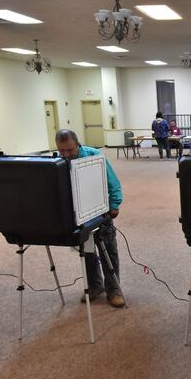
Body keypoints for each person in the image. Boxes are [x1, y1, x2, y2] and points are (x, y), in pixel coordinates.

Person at [55, 129, 125, 308]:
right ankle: (95, 286)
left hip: (99, 210)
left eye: (70, 150)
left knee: (108, 249)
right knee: (86, 251)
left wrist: (115, 204)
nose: (66, 155)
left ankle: (114, 289)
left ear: (78, 144)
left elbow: (113, 182)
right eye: (61, 151)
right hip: (77, 215)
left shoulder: (94, 156)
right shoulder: (58, 162)